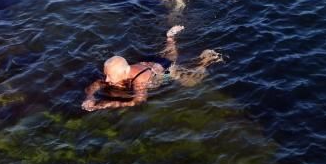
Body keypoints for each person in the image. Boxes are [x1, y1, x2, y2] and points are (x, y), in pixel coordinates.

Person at [81, 25, 223, 112]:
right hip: (151, 63)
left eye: (110, 76)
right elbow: (96, 84)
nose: (106, 79)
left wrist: (101, 105)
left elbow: (138, 101)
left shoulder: (139, 82)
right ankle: (170, 38)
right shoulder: (117, 72)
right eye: (107, 75)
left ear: (125, 71)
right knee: (169, 54)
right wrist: (89, 96)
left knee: (190, 81)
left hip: (164, 71)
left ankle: (208, 60)